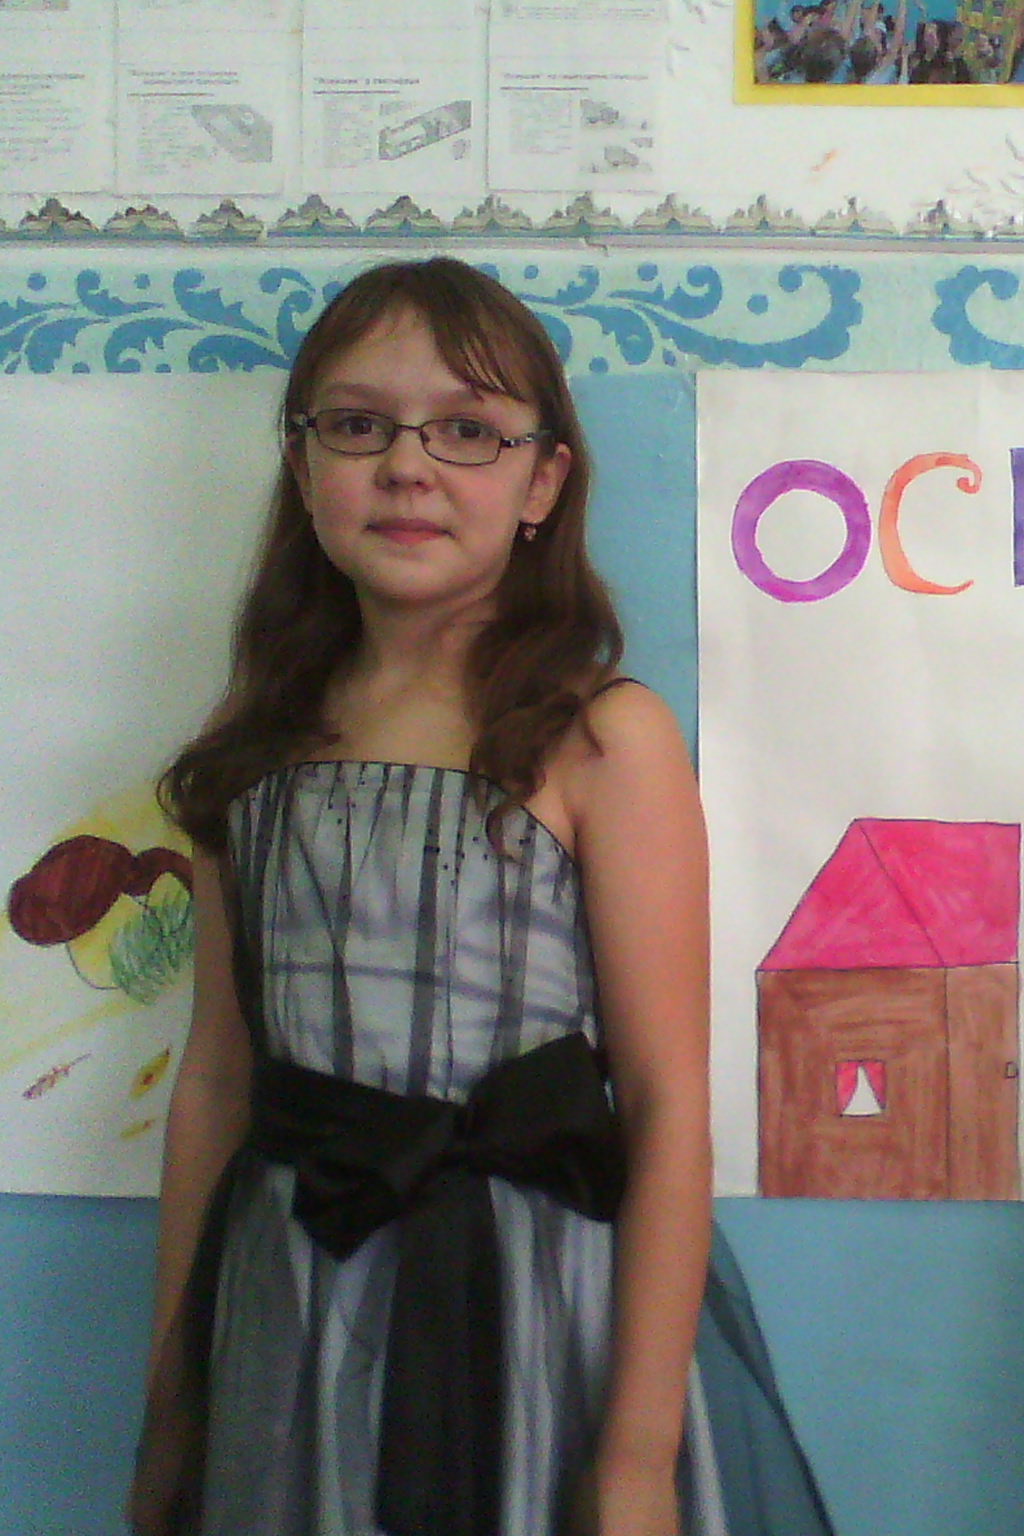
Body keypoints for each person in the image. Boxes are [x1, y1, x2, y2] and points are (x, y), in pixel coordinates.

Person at [128, 258, 835, 1536]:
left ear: (542, 482)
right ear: (302, 465)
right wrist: (173, 1403)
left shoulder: (599, 739)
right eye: (359, 426)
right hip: (299, 1297)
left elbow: (666, 1105)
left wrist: (636, 1459)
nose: (408, 467)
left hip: (536, 1307)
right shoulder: (257, 748)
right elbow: (218, 1085)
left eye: (466, 431)